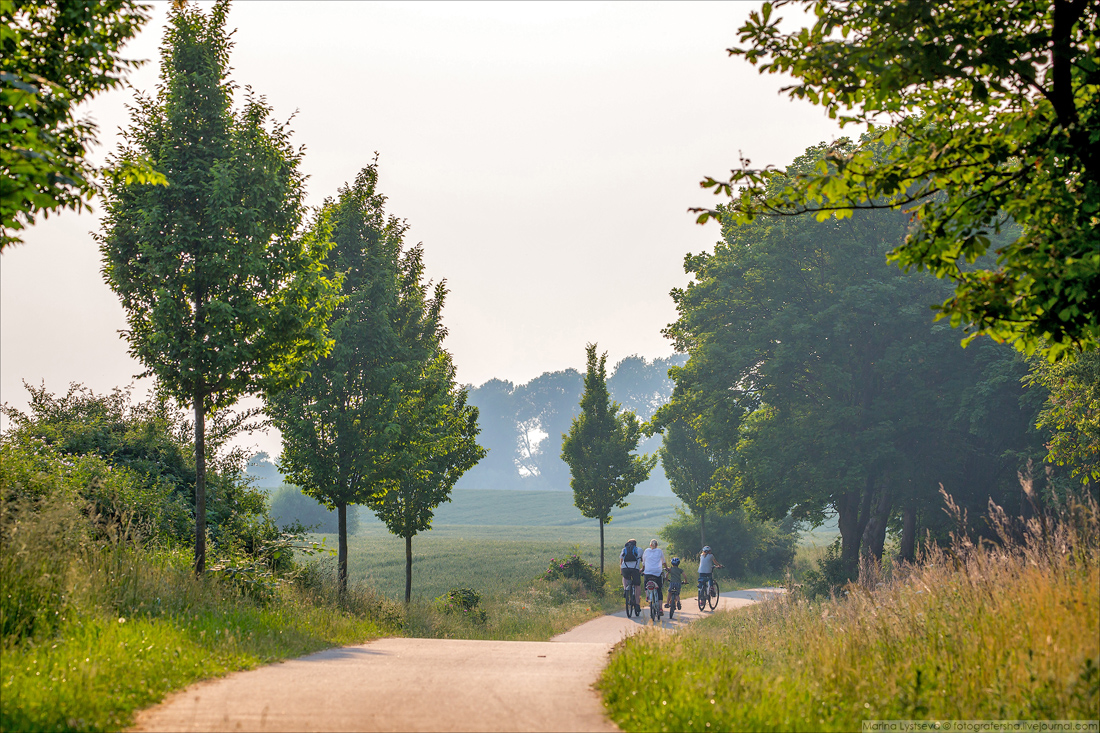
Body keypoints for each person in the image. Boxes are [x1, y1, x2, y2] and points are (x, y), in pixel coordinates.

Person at [640, 539, 669, 608]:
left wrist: (643, 569)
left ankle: (647, 596)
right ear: (657, 545)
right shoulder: (659, 551)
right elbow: (663, 561)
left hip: (648, 573)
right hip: (657, 573)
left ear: (650, 545)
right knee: (659, 590)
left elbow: (643, 562)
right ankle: (660, 608)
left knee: (646, 584)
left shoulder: (646, 551)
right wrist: (667, 568)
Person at [620, 538, 642, 608]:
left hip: (625, 568)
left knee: (625, 577)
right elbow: (643, 560)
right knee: (637, 585)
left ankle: (625, 589)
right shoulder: (639, 550)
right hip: (635, 569)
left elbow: (621, 561)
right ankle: (637, 604)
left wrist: (621, 570)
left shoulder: (624, 549)